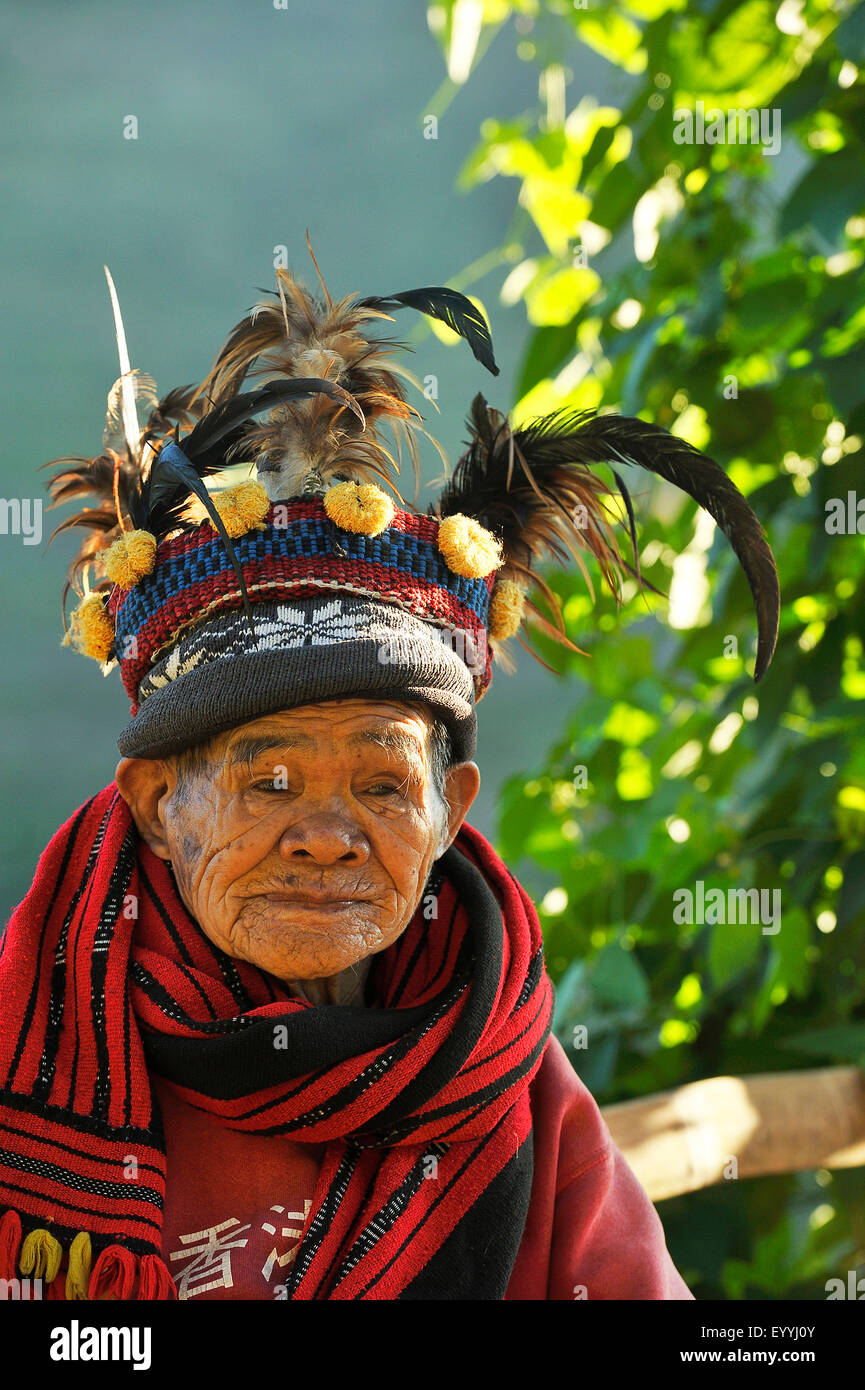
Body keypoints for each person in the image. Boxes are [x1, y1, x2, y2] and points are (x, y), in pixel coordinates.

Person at [0, 253, 778, 1300]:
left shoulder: (500, 1065)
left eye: (381, 786)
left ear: (450, 813)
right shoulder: (30, 1042)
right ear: (156, 807)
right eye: (267, 782)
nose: (328, 834)